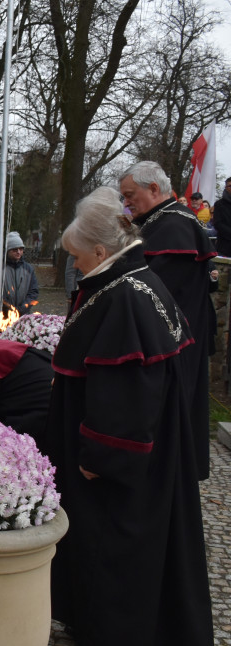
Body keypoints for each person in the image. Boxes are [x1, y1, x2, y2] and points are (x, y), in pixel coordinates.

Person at [47, 185, 213, 646]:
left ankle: (117, 641)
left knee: (118, 549)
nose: (74, 266)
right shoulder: (134, 280)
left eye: (77, 257)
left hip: (122, 467)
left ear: (100, 251)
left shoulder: (124, 298)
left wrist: (102, 457)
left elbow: (126, 392)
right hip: (155, 455)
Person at [118, 161, 216, 481]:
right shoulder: (159, 221)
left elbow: (153, 289)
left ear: (154, 189)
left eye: (130, 195)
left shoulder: (175, 225)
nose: (126, 202)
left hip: (171, 343)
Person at [0, 232, 39, 315]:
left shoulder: (29, 269)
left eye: (21, 249)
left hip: (24, 314)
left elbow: (33, 291)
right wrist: (9, 308)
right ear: (8, 250)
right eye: (15, 249)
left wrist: (24, 307)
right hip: (2, 315)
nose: (18, 252)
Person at [214, 176, 231, 256]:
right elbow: (218, 223)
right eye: (230, 186)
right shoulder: (219, 204)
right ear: (226, 187)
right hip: (224, 247)